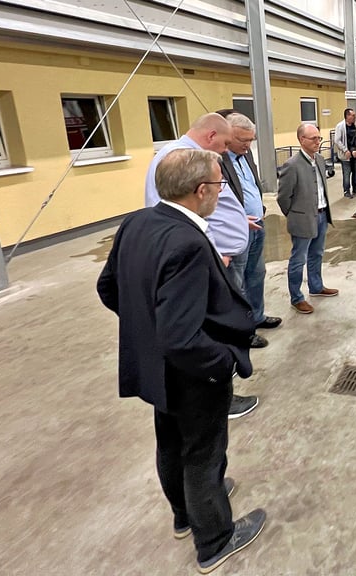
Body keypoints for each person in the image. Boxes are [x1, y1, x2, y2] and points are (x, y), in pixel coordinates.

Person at [99, 148, 267, 572]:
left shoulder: (137, 222)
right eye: (219, 185)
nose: (220, 192)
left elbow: (108, 287)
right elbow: (182, 335)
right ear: (200, 191)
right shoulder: (189, 242)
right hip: (192, 372)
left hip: (157, 369)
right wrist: (222, 362)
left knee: (171, 443)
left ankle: (185, 515)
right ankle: (214, 538)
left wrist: (147, 330)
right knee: (203, 454)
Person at [144, 113, 260, 419]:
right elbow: (174, 216)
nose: (226, 150)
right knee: (211, 330)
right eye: (224, 143)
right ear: (210, 136)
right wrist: (210, 254)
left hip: (213, 256)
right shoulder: (177, 160)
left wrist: (237, 220)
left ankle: (218, 389)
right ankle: (219, 399)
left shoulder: (192, 158)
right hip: (207, 261)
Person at [218, 111, 283, 334]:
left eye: (250, 140)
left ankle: (257, 316)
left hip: (258, 224)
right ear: (228, 135)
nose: (248, 145)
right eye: (243, 140)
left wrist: (261, 208)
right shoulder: (217, 159)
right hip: (236, 229)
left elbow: (252, 185)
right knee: (236, 281)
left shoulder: (245, 155)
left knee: (256, 274)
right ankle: (243, 330)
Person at [277, 124, 339, 315]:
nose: (318, 142)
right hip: (302, 219)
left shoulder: (319, 160)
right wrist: (295, 215)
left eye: (319, 138)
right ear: (301, 140)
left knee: (317, 254)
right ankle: (296, 298)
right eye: (313, 138)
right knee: (298, 259)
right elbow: (283, 197)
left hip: (321, 214)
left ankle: (316, 286)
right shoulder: (292, 165)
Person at [333, 109, 356, 199]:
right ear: (347, 116)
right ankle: (347, 191)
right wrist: (345, 150)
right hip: (346, 155)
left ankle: (355, 189)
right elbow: (337, 140)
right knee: (347, 173)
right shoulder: (340, 126)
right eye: (353, 115)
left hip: (355, 154)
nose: (354, 117)